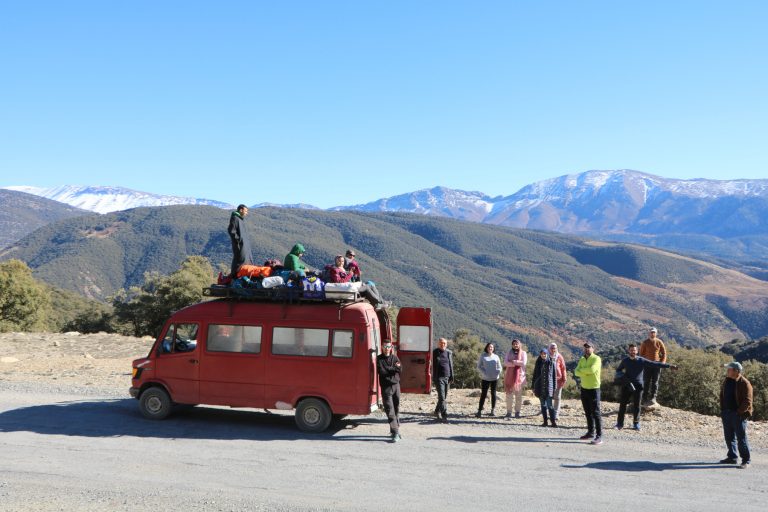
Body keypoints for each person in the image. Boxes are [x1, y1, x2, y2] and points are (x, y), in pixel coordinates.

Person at [615, 344, 679, 430]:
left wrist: (669, 366)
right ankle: (619, 424)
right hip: (627, 385)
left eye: (634, 350)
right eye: (631, 350)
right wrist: (623, 377)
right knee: (622, 405)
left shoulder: (641, 360)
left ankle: (636, 424)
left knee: (637, 405)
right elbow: (618, 370)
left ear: (637, 351)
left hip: (638, 386)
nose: (633, 352)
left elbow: (654, 364)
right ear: (628, 351)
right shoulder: (625, 361)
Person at [720, 362, 753, 468]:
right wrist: (723, 410)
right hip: (726, 413)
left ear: (736, 371)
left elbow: (748, 401)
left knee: (741, 438)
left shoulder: (745, 383)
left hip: (738, 415)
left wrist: (738, 413)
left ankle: (746, 461)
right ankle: (732, 457)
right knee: (729, 437)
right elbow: (722, 394)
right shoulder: (727, 380)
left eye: (729, 369)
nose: (727, 371)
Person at [575, 341, 603, 445]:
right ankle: (590, 433)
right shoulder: (582, 359)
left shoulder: (597, 358)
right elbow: (576, 372)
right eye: (585, 347)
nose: (587, 349)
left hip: (594, 389)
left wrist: (583, 371)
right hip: (584, 388)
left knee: (596, 413)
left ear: (593, 349)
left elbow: (592, 370)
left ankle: (599, 436)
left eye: (589, 347)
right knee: (587, 412)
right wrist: (584, 371)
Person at [377, 341, 402, 443]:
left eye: (389, 346)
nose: (387, 348)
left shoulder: (395, 357)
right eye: (385, 346)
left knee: (396, 408)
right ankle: (396, 433)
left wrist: (389, 369)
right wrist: (394, 369)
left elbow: (400, 369)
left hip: (396, 386)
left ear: (391, 347)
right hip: (386, 388)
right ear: (382, 347)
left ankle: (395, 430)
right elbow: (382, 372)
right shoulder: (379, 359)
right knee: (389, 410)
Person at [639, 327, 667, 406]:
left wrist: (663, 362)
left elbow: (664, 353)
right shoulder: (645, 342)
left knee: (655, 382)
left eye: (654, 332)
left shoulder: (659, 342)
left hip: (657, 364)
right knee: (646, 382)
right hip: (647, 365)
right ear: (649, 333)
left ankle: (653, 398)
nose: (652, 334)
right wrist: (643, 363)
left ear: (656, 333)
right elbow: (641, 354)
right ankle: (644, 398)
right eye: (651, 332)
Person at [476, 343, 502, 417]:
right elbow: (479, 366)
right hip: (485, 378)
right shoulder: (483, 356)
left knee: (493, 394)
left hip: (494, 378)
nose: (490, 348)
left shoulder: (496, 356)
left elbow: (500, 367)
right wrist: (484, 373)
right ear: (486, 348)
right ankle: (479, 411)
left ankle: (493, 410)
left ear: (493, 348)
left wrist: (498, 373)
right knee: (483, 394)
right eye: (489, 347)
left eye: (492, 347)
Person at [504, 339, 528, 419]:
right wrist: (516, 363)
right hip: (509, 377)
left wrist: (513, 361)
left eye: (517, 344)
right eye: (514, 344)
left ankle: (517, 412)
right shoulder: (508, 353)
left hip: (519, 378)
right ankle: (509, 412)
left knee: (518, 396)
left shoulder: (523, 353)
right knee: (509, 395)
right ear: (512, 345)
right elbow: (505, 363)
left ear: (519, 344)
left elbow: (523, 363)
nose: (515, 345)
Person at [532, 348, 556, 426]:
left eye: (545, 354)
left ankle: (553, 422)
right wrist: (533, 386)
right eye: (542, 354)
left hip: (549, 388)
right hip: (540, 387)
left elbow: (554, 376)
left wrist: (554, 388)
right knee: (543, 406)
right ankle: (545, 422)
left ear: (547, 354)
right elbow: (535, 375)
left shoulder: (551, 362)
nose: (543, 355)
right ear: (540, 354)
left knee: (550, 406)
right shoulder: (538, 362)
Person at [432, 337, 454, 422]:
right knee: (442, 397)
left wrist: (452, 376)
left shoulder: (449, 352)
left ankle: (436, 411)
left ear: (446, 344)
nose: (443, 344)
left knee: (443, 397)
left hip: (447, 377)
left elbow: (451, 365)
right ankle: (444, 414)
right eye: (441, 343)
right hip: (439, 378)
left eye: (444, 343)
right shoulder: (435, 352)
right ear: (438, 344)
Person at [228, 204, 253, 277]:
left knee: (245, 259)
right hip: (239, 244)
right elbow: (231, 231)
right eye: (245, 211)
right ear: (241, 210)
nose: (246, 213)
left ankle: (244, 275)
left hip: (244, 244)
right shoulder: (235, 218)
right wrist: (238, 240)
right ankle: (235, 276)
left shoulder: (240, 219)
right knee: (239, 259)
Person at [546, 343, 567, 422]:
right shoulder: (546, 356)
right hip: (548, 380)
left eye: (554, 348)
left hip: (558, 380)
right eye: (552, 348)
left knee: (557, 398)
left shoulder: (559, 357)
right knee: (549, 397)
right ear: (549, 348)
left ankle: (556, 414)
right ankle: (550, 413)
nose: (553, 349)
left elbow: (563, 368)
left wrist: (564, 378)